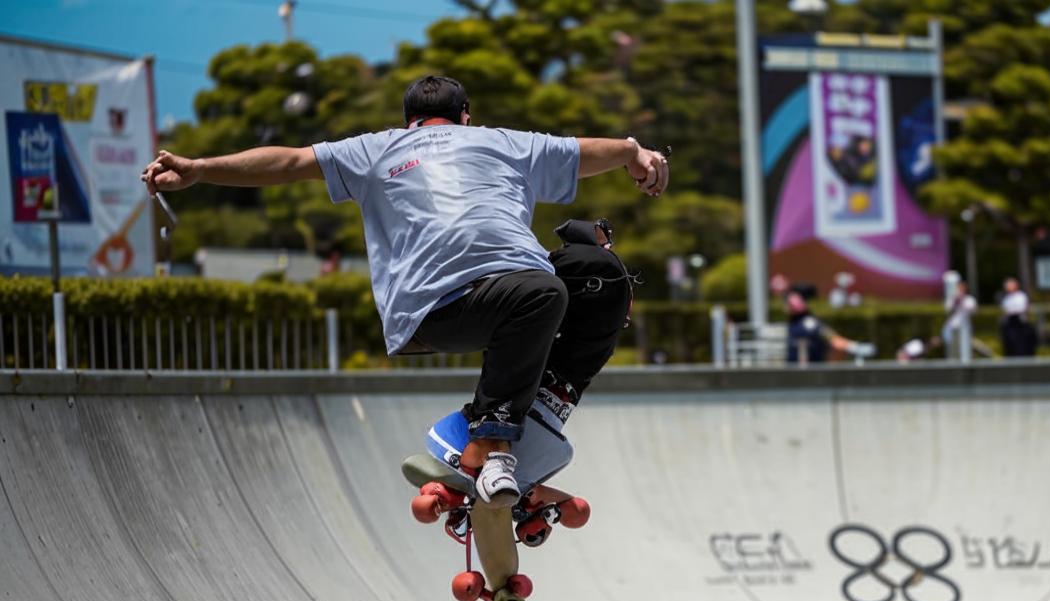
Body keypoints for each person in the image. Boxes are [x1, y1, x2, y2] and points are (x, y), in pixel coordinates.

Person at [140, 75, 667, 506]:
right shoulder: (504, 140)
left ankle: (541, 408)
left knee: (595, 270)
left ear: (408, 121)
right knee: (550, 291)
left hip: (501, 291)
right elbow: (586, 151)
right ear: (466, 115)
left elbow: (287, 161)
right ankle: (492, 442)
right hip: (443, 304)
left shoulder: (374, 148)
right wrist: (633, 152)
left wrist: (200, 169)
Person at [999, 277, 1037, 357]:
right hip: (1010, 324)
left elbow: (1022, 308)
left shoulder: (1021, 296)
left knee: (1021, 346)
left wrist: (1011, 311)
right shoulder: (1006, 298)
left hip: (1020, 325)